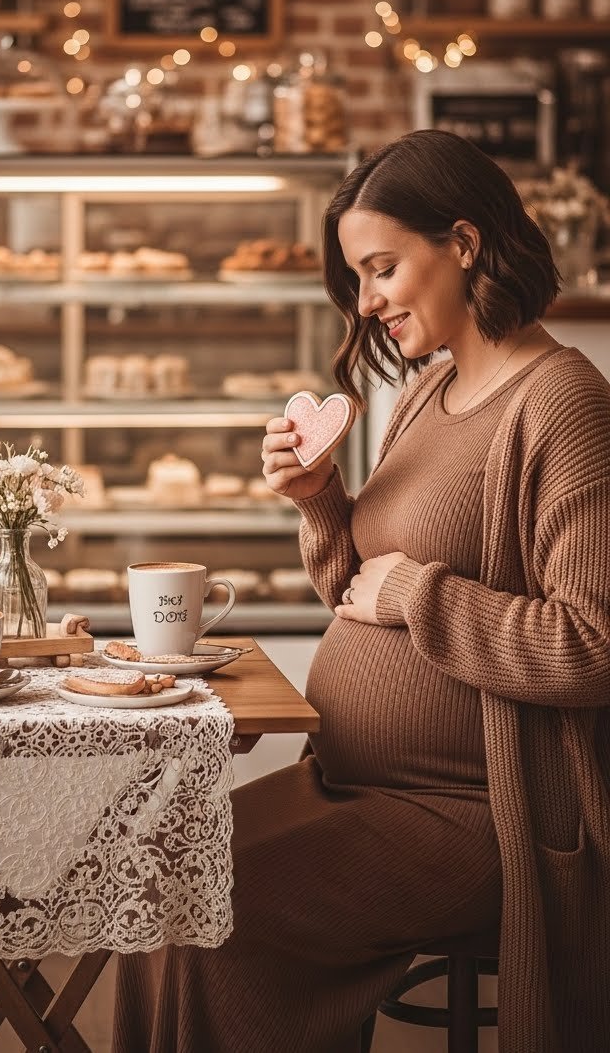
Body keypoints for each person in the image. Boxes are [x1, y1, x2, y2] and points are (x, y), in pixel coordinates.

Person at [112, 130, 610, 1053]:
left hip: (483, 813)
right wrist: (320, 500)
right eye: (358, 278)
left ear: (463, 242)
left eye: (382, 267)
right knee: (156, 872)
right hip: (354, 783)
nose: (369, 299)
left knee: (215, 907)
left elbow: (593, 645)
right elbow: (357, 590)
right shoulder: (428, 393)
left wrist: (424, 594)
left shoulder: (564, 405)